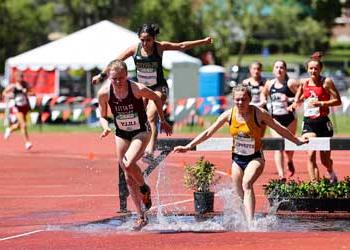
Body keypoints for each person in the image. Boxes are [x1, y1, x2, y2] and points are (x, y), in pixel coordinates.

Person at [173, 85, 308, 224]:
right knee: (239, 194)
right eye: (237, 100)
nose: (240, 103)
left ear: (249, 99)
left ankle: (250, 223)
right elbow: (208, 132)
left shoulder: (259, 113)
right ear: (233, 100)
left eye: (243, 99)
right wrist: (189, 146)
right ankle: (242, 221)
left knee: (247, 183)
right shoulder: (229, 115)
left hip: (255, 157)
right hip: (237, 159)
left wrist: (296, 140)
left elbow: (278, 127)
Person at [93, 23, 212, 162]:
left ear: (154, 38)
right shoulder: (134, 49)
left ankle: (150, 150)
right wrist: (101, 76)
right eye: (142, 40)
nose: (145, 43)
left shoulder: (159, 47)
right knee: (141, 117)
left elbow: (181, 46)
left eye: (148, 40)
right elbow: (115, 62)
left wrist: (203, 42)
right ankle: (139, 143)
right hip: (142, 89)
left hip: (159, 87)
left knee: (151, 115)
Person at [97, 59, 172, 230]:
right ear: (109, 77)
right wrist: (105, 127)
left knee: (128, 163)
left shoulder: (137, 88)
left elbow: (156, 98)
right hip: (121, 133)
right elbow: (102, 115)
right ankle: (141, 216)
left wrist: (162, 120)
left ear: (126, 75)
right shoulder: (104, 93)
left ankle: (144, 188)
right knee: (127, 175)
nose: (118, 82)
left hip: (141, 131)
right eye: (114, 79)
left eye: (121, 78)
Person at [290, 52, 342, 183]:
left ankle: (331, 172)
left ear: (320, 69)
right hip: (309, 123)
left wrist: (321, 103)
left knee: (325, 160)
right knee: (310, 155)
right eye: (311, 68)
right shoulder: (304, 82)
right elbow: (301, 95)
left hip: (323, 123)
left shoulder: (326, 82)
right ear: (307, 69)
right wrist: (295, 103)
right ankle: (315, 185)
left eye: (316, 68)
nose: (313, 71)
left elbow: (338, 101)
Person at [261, 60, 299, 180]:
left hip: (290, 119)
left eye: (281, 67)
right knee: (278, 145)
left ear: (285, 70)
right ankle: (281, 175)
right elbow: (263, 94)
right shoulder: (269, 84)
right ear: (273, 70)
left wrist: (289, 99)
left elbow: (301, 97)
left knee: (289, 146)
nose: (279, 69)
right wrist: (263, 101)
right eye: (276, 67)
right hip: (275, 119)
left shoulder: (290, 83)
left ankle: (290, 160)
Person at [3, 72, 33, 150]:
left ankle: (10, 129)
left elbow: (32, 93)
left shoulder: (26, 85)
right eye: (19, 77)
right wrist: (9, 95)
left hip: (25, 107)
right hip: (17, 107)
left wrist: (27, 92)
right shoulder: (13, 86)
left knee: (20, 125)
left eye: (22, 76)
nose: (21, 78)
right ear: (16, 78)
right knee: (23, 124)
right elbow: (4, 93)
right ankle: (27, 142)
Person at [242, 61, 267, 136]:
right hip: (249, 111)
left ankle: (259, 148)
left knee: (260, 136)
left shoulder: (265, 82)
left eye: (258, 69)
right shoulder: (245, 83)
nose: (256, 71)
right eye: (254, 69)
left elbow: (265, 99)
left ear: (261, 70)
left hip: (261, 111)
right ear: (250, 70)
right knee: (249, 134)